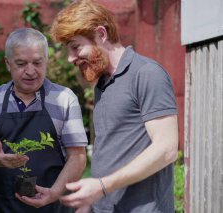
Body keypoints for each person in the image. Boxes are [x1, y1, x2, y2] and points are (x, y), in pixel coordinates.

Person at [50, 0, 179, 212]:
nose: (71, 58)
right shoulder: (103, 83)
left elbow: (166, 149)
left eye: (75, 47)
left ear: (101, 34)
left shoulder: (146, 73)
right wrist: (92, 200)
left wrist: (102, 186)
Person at [0, 28, 88, 213]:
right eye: (21, 63)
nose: (30, 71)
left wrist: (53, 193)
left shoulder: (64, 99)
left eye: (37, 63)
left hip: (52, 207)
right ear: (8, 63)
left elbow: (77, 157)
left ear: (46, 61)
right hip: (2, 206)